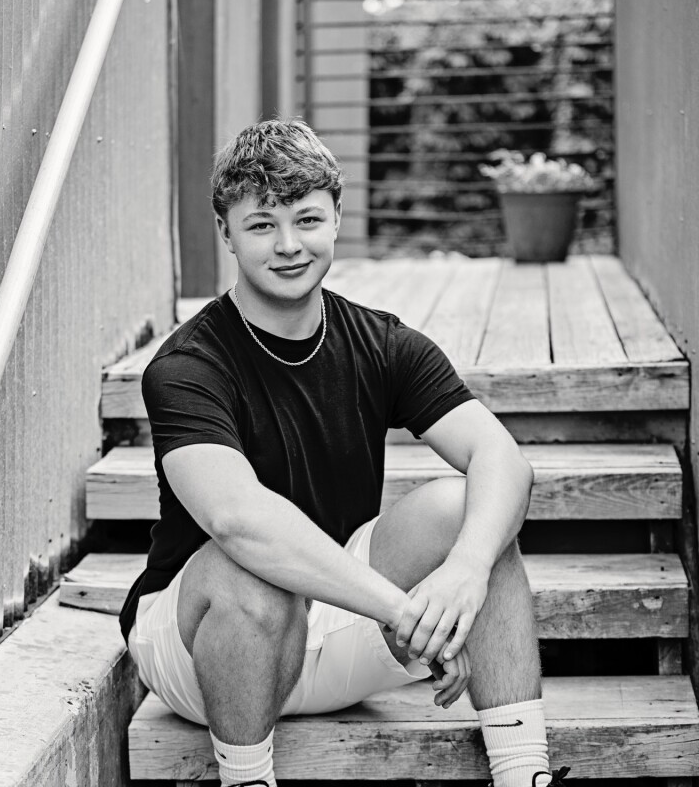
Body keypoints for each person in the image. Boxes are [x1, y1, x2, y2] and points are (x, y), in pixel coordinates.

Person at [119, 118, 568, 787]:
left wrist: (466, 570)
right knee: (248, 572)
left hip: (338, 622)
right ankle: (246, 779)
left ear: (335, 216)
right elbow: (238, 521)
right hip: (204, 643)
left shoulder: (380, 342)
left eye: (306, 219)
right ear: (227, 233)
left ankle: (523, 772)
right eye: (262, 225)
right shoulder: (188, 366)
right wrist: (402, 610)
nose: (289, 245)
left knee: (472, 509)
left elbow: (503, 459)